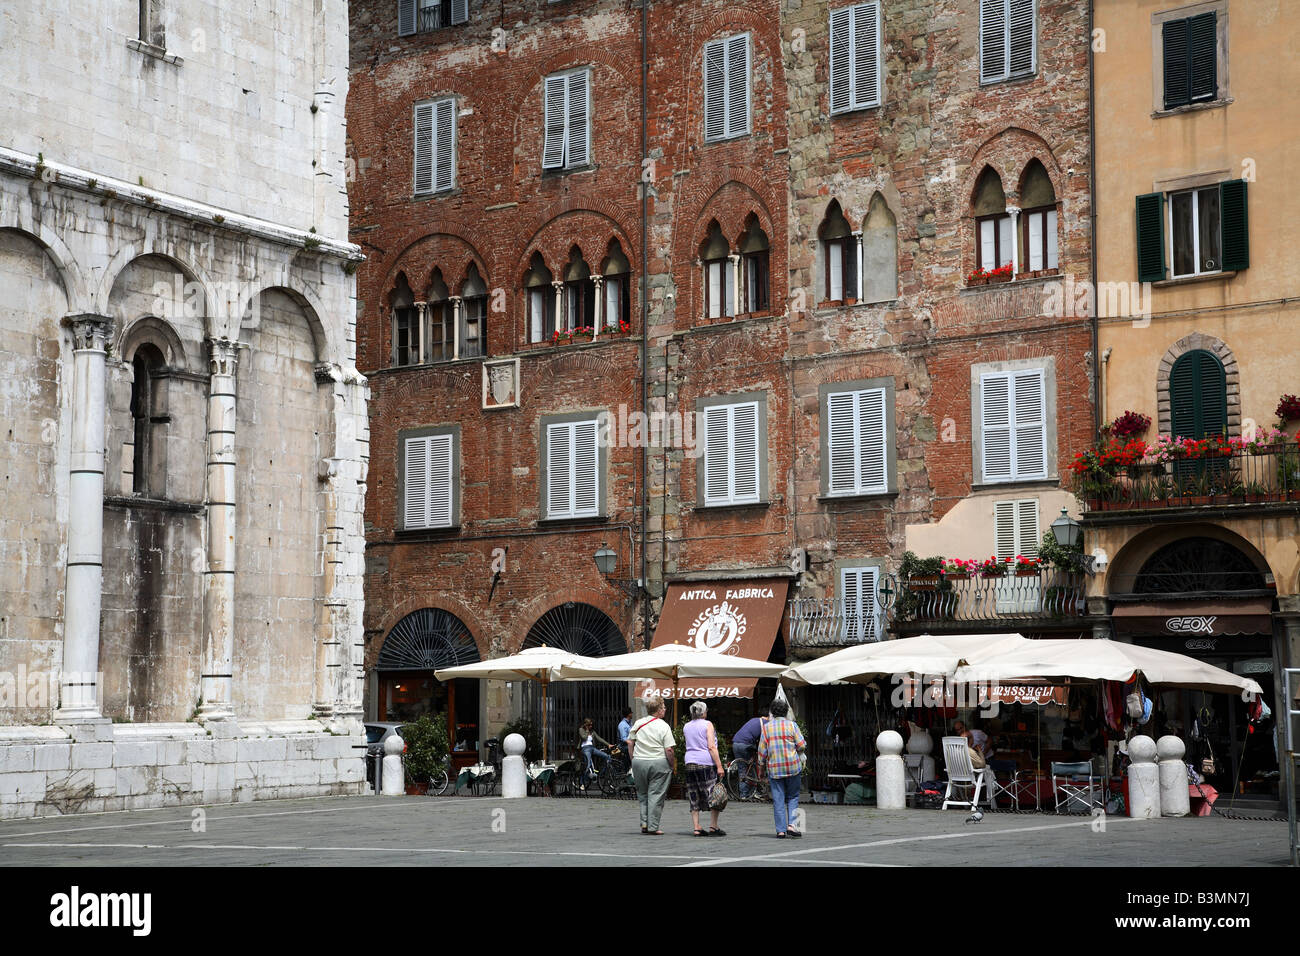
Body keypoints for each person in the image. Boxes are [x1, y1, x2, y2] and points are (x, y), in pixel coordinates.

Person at [757, 698, 806, 838]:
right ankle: (792, 825)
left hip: (775, 769)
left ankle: (780, 830)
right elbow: (802, 745)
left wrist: (760, 769)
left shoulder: (766, 728)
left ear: (772, 712)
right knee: (793, 796)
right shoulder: (792, 726)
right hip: (792, 767)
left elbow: (762, 752)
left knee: (778, 799)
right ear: (786, 712)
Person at [628, 697, 675, 835]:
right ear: (659, 710)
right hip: (658, 762)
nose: (665, 709)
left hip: (639, 762)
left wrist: (633, 760)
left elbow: (630, 743)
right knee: (656, 794)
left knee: (642, 794)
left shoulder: (638, 723)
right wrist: (672, 764)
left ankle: (644, 823)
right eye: (664, 707)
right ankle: (653, 826)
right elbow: (669, 750)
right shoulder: (663, 726)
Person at [683, 701, 727, 836]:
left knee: (693, 793)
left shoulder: (686, 726)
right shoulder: (708, 724)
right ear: (703, 713)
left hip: (689, 762)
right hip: (705, 762)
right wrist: (719, 766)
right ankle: (713, 826)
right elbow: (711, 746)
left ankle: (696, 826)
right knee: (713, 794)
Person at [730, 714, 766, 798]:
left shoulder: (755, 719)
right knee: (752, 767)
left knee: (742, 769)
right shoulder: (767, 724)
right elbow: (763, 741)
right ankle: (755, 791)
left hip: (735, 743)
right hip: (746, 744)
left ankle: (743, 794)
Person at [576, 717, 613, 786]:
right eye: (589, 725)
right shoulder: (581, 730)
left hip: (592, 748)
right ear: (585, 725)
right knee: (588, 765)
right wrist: (587, 730)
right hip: (585, 748)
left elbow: (599, 738)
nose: (591, 726)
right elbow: (584, 737)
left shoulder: (592, 731)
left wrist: (608, 745)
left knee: (607, 757)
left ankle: (600, 774)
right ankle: (581, 783)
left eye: (591, 725)